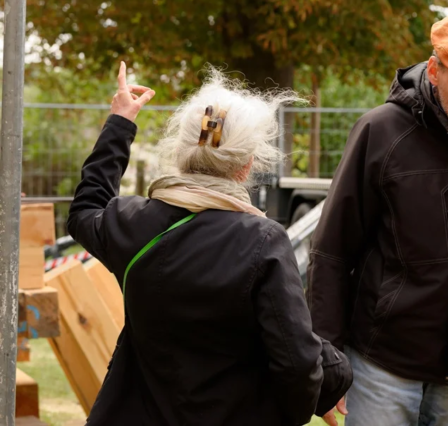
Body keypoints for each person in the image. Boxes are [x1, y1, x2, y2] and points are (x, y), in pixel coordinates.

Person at [67, 62, 352, 426]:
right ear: (247, 166)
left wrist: (120, 122)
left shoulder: (132, 222)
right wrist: (322, 388)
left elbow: (85, 209)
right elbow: (295, 358)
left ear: (183, 153)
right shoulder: (262, 242)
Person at [307, 9, 448, 425]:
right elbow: (332, 252)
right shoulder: (380, 132)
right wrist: (327, 359)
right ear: (435, 70)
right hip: (383, 367)